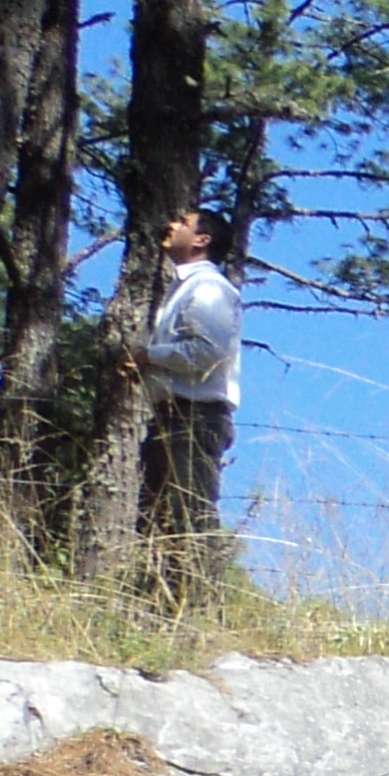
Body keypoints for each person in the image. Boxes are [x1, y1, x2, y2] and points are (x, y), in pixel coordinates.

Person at [129, 205, 243, 556]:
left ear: (201, 240)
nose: (172, 225)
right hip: (172, 418)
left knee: (187, 523)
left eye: (183, 223)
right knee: (156, 528)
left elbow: (208, 353)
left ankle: (194, 591)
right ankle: (162, 592)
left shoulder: (208, 287)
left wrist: (149, 356)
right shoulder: (186, 287)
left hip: (194, 419)